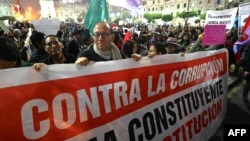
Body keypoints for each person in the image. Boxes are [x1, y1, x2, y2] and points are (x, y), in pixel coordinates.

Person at [75, 21, 141, 66]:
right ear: (93, 37)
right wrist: (78, 66)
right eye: (97, 34)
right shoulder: (84, 56)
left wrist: (135, 62)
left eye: (104, 34)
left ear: (112, 37)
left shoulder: (119, 54)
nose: (100, 38)